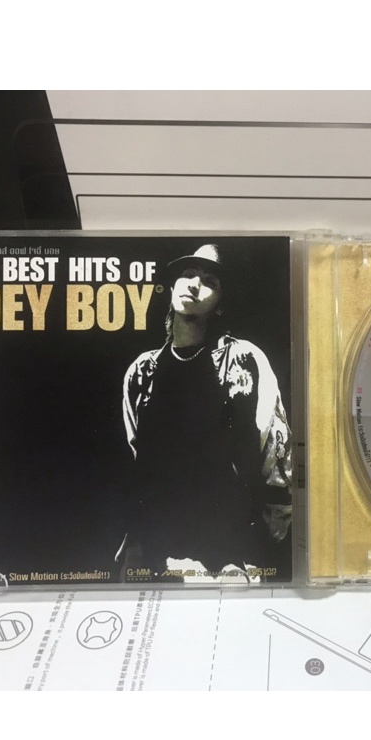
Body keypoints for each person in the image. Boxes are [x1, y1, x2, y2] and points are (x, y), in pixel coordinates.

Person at [117, 244, 292, 582]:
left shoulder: (244, 359)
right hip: (159, 545)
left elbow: (275, 449)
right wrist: (134, 540)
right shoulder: (142, 371)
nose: (195, 284)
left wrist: (266, 541)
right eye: (188, 275)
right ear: (172, 288)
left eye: (209, 281)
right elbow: (136, 461)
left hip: (227, 550)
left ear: (221, 303)